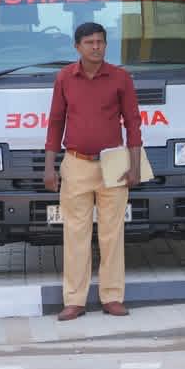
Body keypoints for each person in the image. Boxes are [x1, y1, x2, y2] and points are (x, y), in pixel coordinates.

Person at [43, 22, 143, 321]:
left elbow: (133, 123)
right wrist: (50, 166)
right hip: (75, 162)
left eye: (100, 41)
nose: (96, 46)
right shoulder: (65, 78)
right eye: (89, 42)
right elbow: (55, 123)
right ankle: (74, 300)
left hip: (114, 162)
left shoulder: (120, 77)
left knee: (112, 233)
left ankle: (112, 297)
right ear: (77, 47)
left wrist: (135, 166)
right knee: (76, 233)